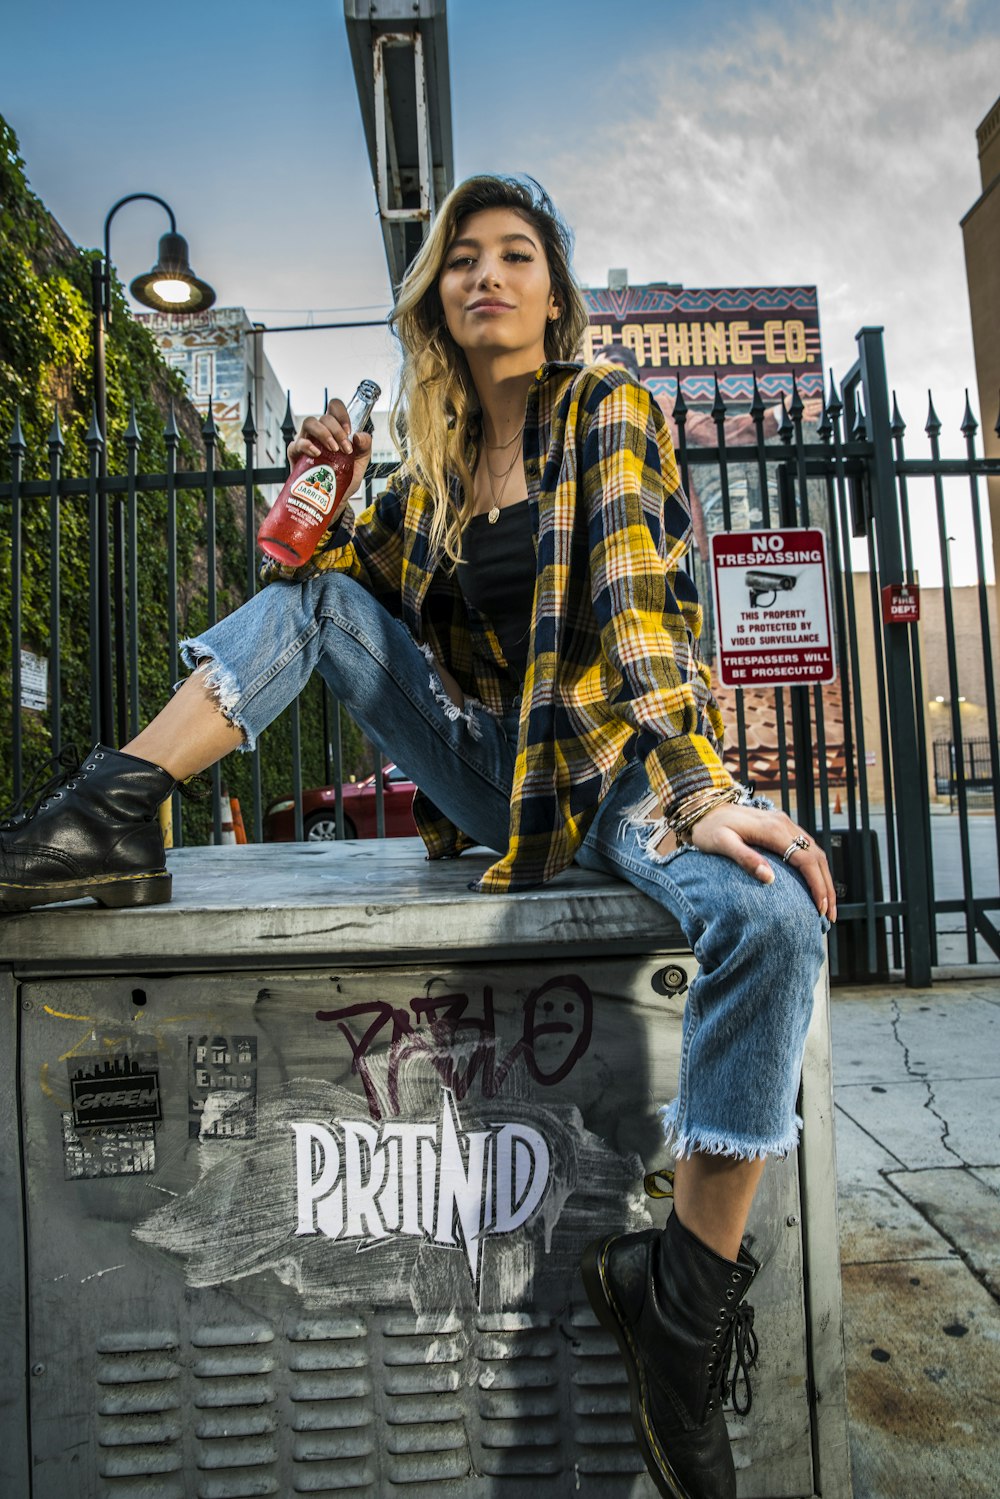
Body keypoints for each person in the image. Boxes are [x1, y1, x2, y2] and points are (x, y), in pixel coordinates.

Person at [0, 175, 834, 1499]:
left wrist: (695, 792)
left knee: (780, 921)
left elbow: (637, 621)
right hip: (493, 785)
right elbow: (317, 609)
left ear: (552, 291)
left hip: (616, 770)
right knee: (329, 597)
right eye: (465, 259)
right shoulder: (432, 477)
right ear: (437, 294)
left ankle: (680, 1300)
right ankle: (107, 810)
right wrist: (313, 509)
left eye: (517, 256)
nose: (488, 275)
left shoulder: (600, 409)